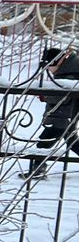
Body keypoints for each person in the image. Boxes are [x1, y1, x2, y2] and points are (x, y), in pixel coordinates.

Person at [28, 43, 79, 178]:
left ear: (58, 61)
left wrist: (45, 95)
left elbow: (62, 96)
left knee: (42, 144)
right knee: (73, 142)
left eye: (49, 66)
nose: (48, 70)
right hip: (66, 117)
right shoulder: (68, 70)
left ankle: (37, 171)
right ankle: (37, 170)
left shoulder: (70, 75)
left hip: (62, 117)